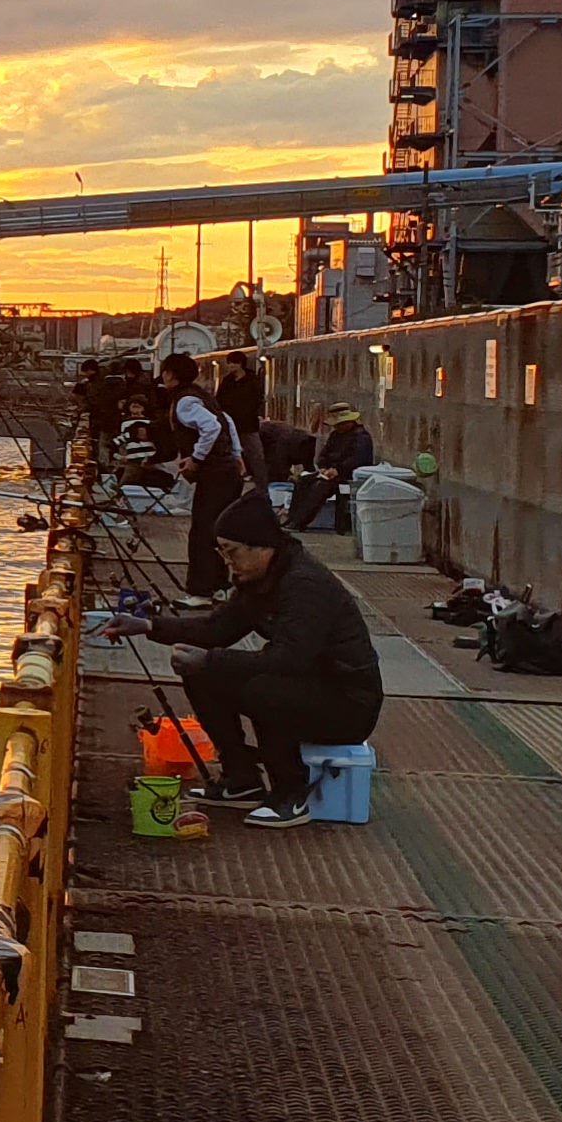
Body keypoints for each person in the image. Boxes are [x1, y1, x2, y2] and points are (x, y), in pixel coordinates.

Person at [158, 486, 384, 827]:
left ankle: (291, 793)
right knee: (201, 674)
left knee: (264, 689)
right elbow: (216, 629)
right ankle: (241, 779)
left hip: (348, 702)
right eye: (222, 552)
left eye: (232, 552)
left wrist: (212, 659)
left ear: (261, 546)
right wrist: (149, 626)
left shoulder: (304, 584)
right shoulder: (260, 578)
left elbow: (288, 659)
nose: (227, 562)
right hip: (310, 685)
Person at [160, 345, 243, 593]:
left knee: (202, 533)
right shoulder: (200, 395)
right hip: (226, 470)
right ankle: (219, 585)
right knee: (217, 531)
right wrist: (236, 454)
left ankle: (201, 590)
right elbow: (226, 420)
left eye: (164, 371)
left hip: (214, 473)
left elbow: (212, 427)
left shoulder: (184, 401)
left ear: (170, 374)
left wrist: (196, 458)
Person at [288, 402, 377, 535]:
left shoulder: (361, 437)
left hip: (349, 475)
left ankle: (301, 521)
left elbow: (359, 460)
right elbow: (324, 454)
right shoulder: (335, 435)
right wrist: (323, 467)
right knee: (302, 481)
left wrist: (338, 470)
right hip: (330, 472)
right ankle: (292, 518)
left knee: (320, 487)